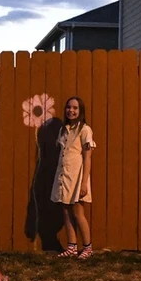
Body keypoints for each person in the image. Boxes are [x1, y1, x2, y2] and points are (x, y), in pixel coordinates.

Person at [51, 96, 95, 259]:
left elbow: (87, 157)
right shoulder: (64, 129)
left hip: (77, 177)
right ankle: (71, 246)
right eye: (69, 107)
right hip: (64, 175)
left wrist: (84, 183)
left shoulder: (85, 129)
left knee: (77, 212)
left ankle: (88, 247)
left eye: (75, 108)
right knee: (66, 211)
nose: (71, 110)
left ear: (80, 110)